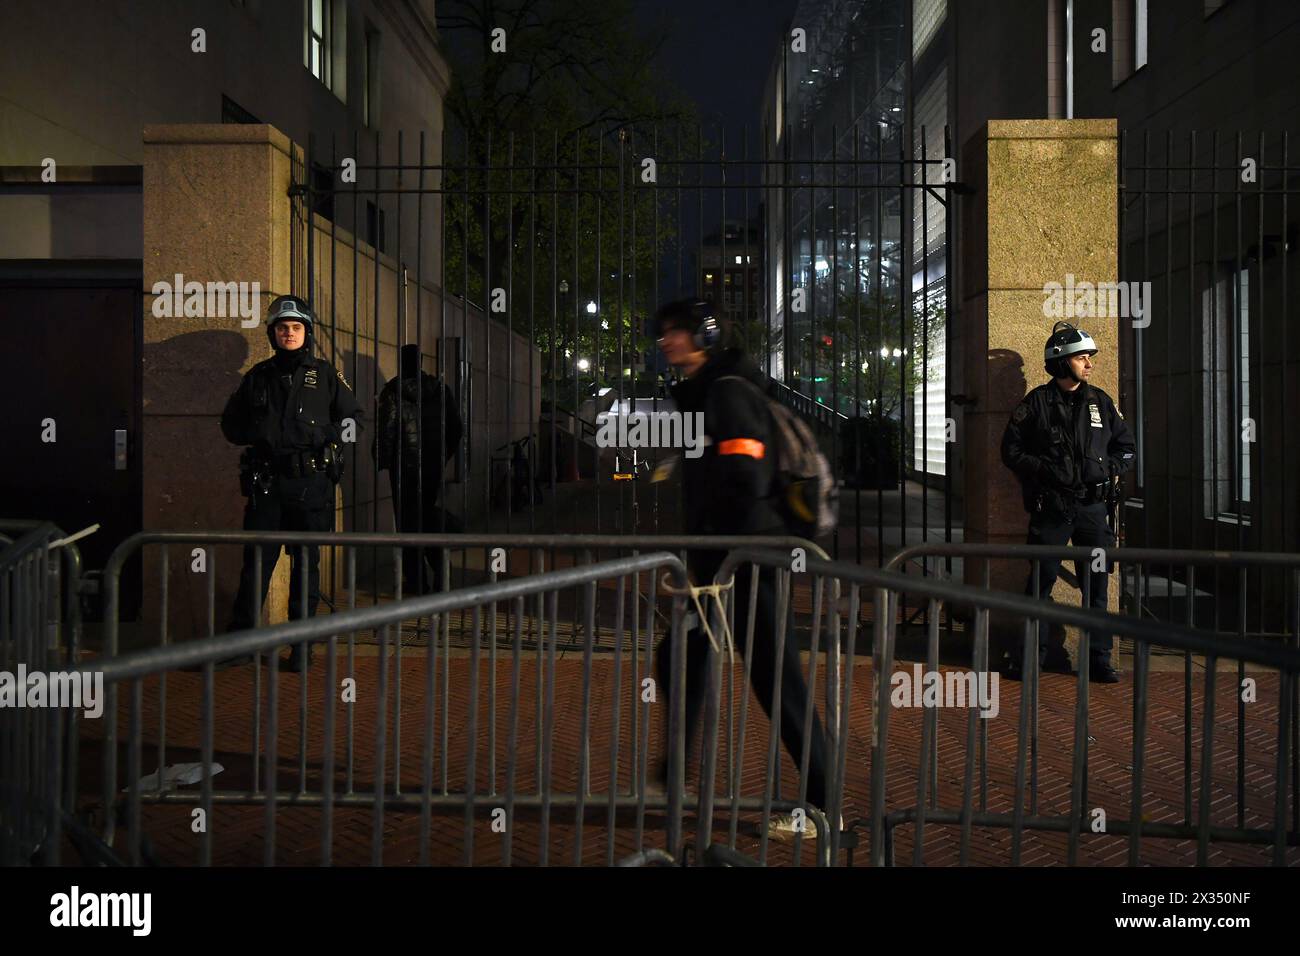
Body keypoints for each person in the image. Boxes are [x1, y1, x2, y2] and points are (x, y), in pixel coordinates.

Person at [651, 297, 833, 837]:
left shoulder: (728, 393)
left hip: (748, 556)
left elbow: (746, 480)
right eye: (663, 332)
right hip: (721, 558)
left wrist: (711, 554)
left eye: (676, 332)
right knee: (680, 654)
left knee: (777, 679)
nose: (665, 341)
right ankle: (675, 772)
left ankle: (822, 807)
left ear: (703, 336)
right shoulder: (709, 393)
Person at [219, 294, 361, 671]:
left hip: (310, 487)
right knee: (255, 567)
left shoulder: (326, 375)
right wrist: (259, 432)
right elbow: (230, 426)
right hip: (267, 487)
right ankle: (241, 644)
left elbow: (354, 423)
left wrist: (323, 436)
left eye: (296, 327)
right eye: (283, 328)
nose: (289, 333)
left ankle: (300, 648)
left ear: (307, 332)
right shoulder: (257, 378)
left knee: (305, 568)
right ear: (273, 333)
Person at [1000, 321, 1136, 683]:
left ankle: (1099, 659)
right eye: (1082, 358)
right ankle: (1030, 657)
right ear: (1061, 361)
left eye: (1090, 358)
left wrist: (1109, 466)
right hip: (1053, 508)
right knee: (1040, 585)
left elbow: (1127, 447)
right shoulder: (1036, 404)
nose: (1089, 364)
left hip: (1093, 510)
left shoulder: (1100, 402)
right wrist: (1045, 469)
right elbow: (1011, 451)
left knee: (1096, 587)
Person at [373, 344, 464, 594]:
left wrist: (382, 459)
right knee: (429, 521)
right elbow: (456, 427)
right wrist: (442, 456)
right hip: (431, 467)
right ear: (421, 361)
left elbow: (387, 431)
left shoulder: (393, 391)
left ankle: (416, 583)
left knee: (407, 526)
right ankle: (441, 573)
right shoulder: (440, 389)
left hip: (403, 469)